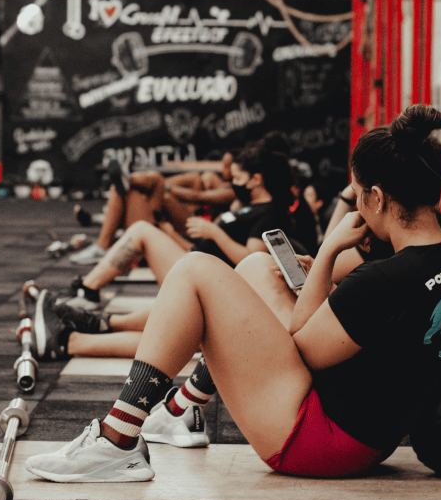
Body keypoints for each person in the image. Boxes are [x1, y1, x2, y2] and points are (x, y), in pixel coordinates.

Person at [24, 105, 441, 482]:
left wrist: (326, 253)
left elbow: (303, 346)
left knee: (193, 271)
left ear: (378, 198)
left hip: (319, 442)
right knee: (256, 267)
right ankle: (180, 409)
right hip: (371, 434)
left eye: (356, 192)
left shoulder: (382, 280)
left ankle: (117, 439)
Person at [34, 147, 298, 359]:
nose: (233, 183)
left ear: (256, 180)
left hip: (212, 281)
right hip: (198, 265)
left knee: (142, 233)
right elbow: (206, 247)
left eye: (238, 178)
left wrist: (214, 232)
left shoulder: (270, 212)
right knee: (174, 327)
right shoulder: (244, 205)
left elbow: (251, 260)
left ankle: (85, 313)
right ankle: (87, 325)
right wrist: (172, 235)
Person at [69, 154, 236, 264]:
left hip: (191, 234)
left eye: (227, 167)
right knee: (132, 190)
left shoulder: (233, 191)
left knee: (150, 184)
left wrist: (162, 188)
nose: (222, 170)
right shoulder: (214, 181)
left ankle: (102, 244)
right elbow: (195, 192)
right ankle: (129, 182)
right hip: (185, 223)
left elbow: (196, 198)